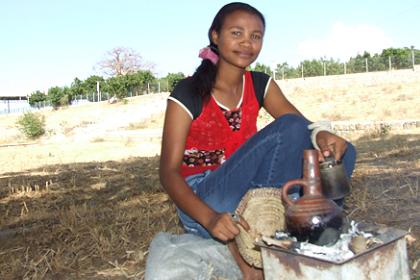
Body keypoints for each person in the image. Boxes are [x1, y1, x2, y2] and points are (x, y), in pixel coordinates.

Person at [159, 2, 356, 279]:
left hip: (247, 193)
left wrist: (322, 133)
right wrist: (209, 218)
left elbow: (303, 128)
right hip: (205, 199)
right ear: (215, 36)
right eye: (236, 33)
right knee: (287, 128)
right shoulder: (189, 90)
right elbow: (168, 172)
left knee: (342, 154)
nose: (247, 43)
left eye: (256, 36)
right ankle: (252, 255)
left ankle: (315, 230)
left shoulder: (260, 83)